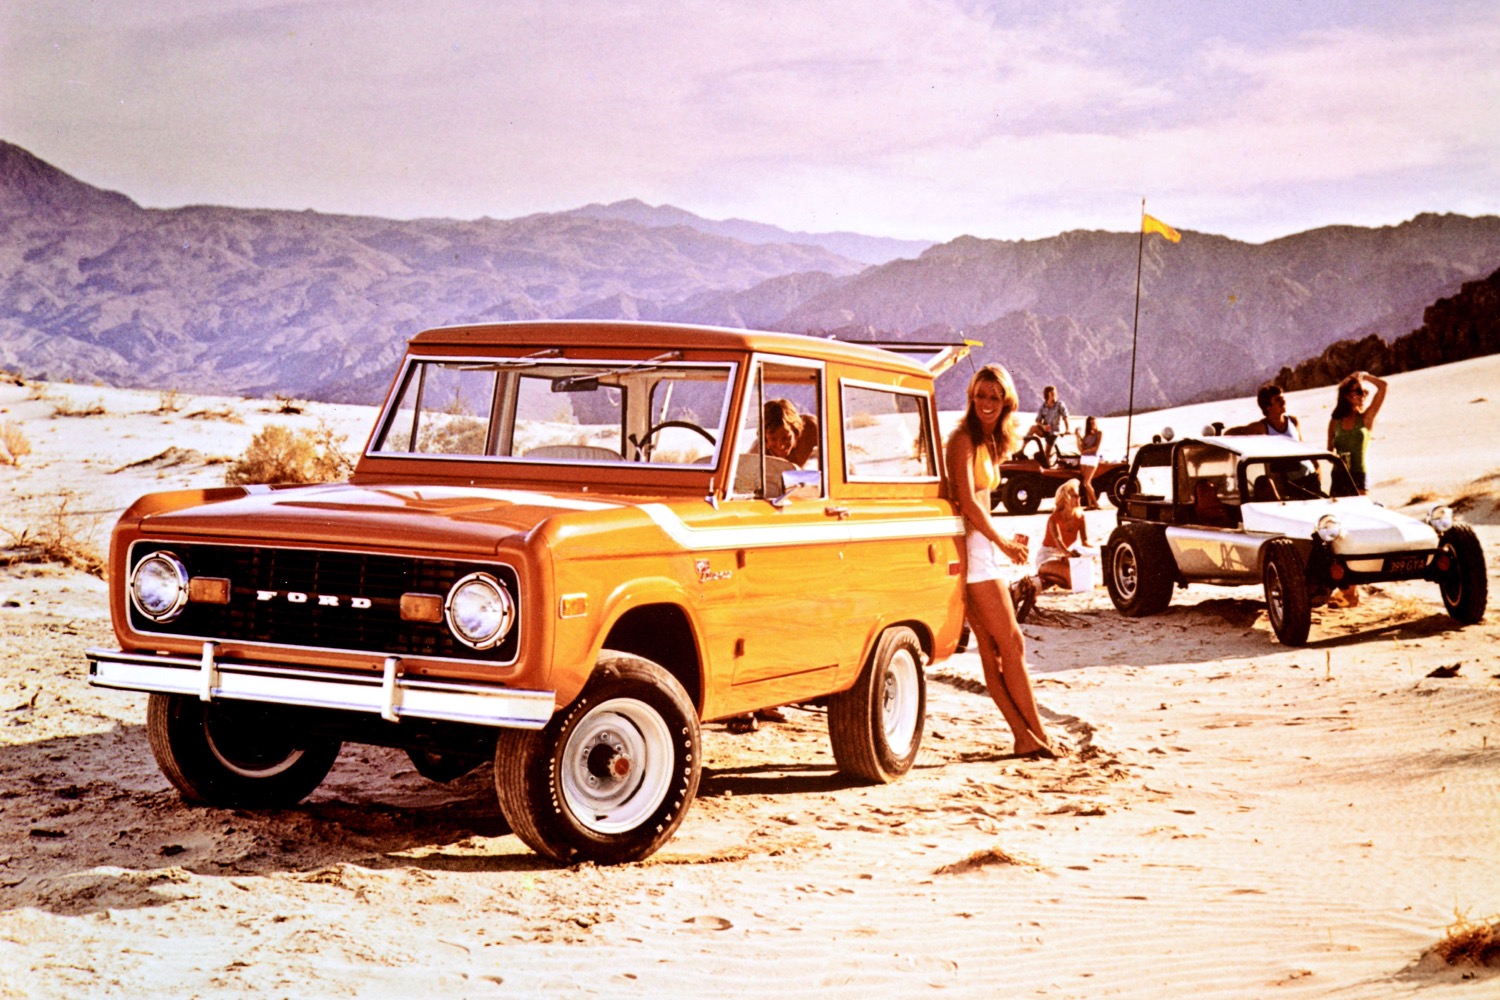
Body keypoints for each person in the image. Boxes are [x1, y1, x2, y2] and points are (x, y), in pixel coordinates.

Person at [946, 364, 1060, 759]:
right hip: (973, 551)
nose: (987, 403)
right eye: (981, 395)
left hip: (983, 549)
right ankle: (1035, 733)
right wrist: (1004, 543)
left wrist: (1002, 542)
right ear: (971, 397)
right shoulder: (962, 439)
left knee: (995, 651)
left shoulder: (990, 442)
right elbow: (966, 503)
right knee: (1010, 642)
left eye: (994, 396)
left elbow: (982, 505)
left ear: (1006, 401)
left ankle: (1026, 736)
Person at [727, 398, 819, 732]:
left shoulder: (810, 430)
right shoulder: (757, 453)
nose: (778, 446)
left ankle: (769, 700)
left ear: (794, 429)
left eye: (784, 439)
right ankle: (745, 707)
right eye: (772, 440)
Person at [1326, 370, 1388, 607]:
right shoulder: (1336, 422)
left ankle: (1353, 590)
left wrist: (1364, 376)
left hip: (1359, 478)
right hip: (1339, 478)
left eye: (1364, 393)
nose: (1362, 396)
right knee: (1339, 532)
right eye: (1357, 392)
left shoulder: (1367, 418)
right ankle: (1348, 590)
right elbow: (1328, 452)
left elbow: (1383, 387)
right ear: (1346, 395)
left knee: (1358, 529)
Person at [1030, 480, 1092, 591]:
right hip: (1048, 555)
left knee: (1076, 581)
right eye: (1075, 496)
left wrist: (1093, 552)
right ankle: (1047, 576)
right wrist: (1068, 553)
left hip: (1064, 556)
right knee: (1072, 579)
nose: (1079, 498)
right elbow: (1057, 540)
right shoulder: (1054, 518)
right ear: (1065, 499)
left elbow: (1085, 541)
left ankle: (1048, 578)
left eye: (1078, 495)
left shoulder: (1081, 517)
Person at [1226, 383, 1302, 440]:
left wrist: (1314, 461)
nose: (1283, 402)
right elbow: (1232, 432)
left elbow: (1303, 447)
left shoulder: (1293, 421)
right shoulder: (1261, 427)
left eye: (1283, 398)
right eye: (1278, 399)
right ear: (1267, 407)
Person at [763, 397, 819, 468]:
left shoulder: (812, 429)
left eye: (786, 438)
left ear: (796, 432)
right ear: (765, 438)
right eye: (773, 439)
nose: (780, 446)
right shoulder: (759, 454)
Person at [1022, 386, 1070, 464]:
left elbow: (1065, 416)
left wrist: (1067, 429)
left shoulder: (1059, 404)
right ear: (1047, 395)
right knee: (1032, 428)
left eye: (1055, 393)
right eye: (1052, 393)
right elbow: (1037, 420)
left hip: (1053, 432)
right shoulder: (1043, 407)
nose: (1054, 395)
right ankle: (1021, 450)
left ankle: (1048, 463)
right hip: (1044, 430)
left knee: (1046, 454)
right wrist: (1043, 426)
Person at [1075, 416, 1103, 508]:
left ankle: (1096, 504)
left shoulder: (1099, 433)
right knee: (1086, 483)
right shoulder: (1086, 435)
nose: (1092, 425)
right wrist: (1077, 437)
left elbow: (1096, 448)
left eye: (1093, 423)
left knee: (1086, 482)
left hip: (1092, 458)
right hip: (1084, 458)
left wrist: (1085, 450)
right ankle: (1090, 504)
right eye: (1090, 423)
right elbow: (1081, 448)